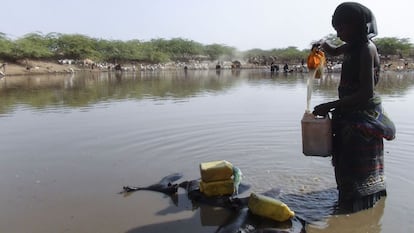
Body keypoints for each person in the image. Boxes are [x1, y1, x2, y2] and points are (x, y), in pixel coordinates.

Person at [312, 2, 396, 213]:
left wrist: (330, 104)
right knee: (343, 162)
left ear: (358, 25)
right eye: (336, 29)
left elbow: (366, 93)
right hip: (347, 113)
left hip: (362, 116)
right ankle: (347, 204)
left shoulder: (366, 49)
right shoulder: (351, 46)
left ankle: (359, 212)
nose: (339, 33)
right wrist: (322, 44)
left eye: (342, 28)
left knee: (357, 166)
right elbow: (332, 50)